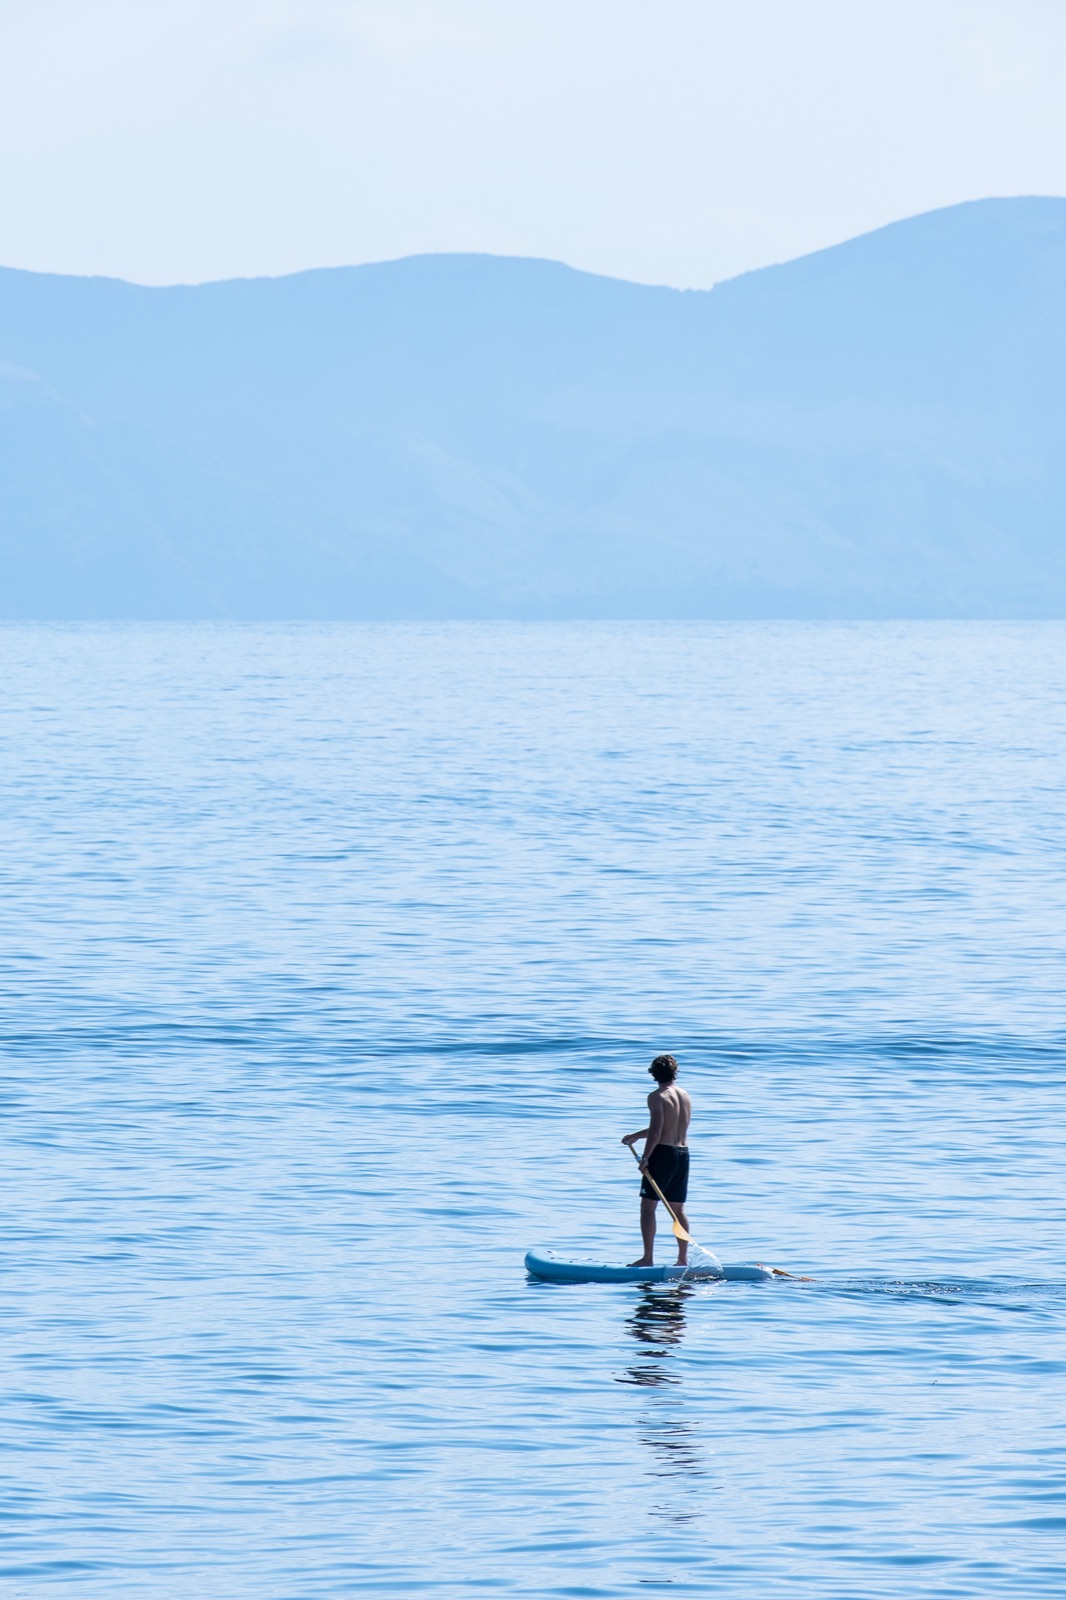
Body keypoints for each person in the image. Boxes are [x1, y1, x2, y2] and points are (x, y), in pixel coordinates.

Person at [621, 1053, 692, 1267]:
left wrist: (645, 1158)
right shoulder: (684, 1095)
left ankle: (648, 1258)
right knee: (677, 1209)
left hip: (662, 1154)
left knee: (648, 1207)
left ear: (653, 1074)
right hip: (683, 1154)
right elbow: (668, 1127)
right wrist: (636, 1135)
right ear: (675, 1073)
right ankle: (682, 1259)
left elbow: (658, 1131)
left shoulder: (656, 1096)